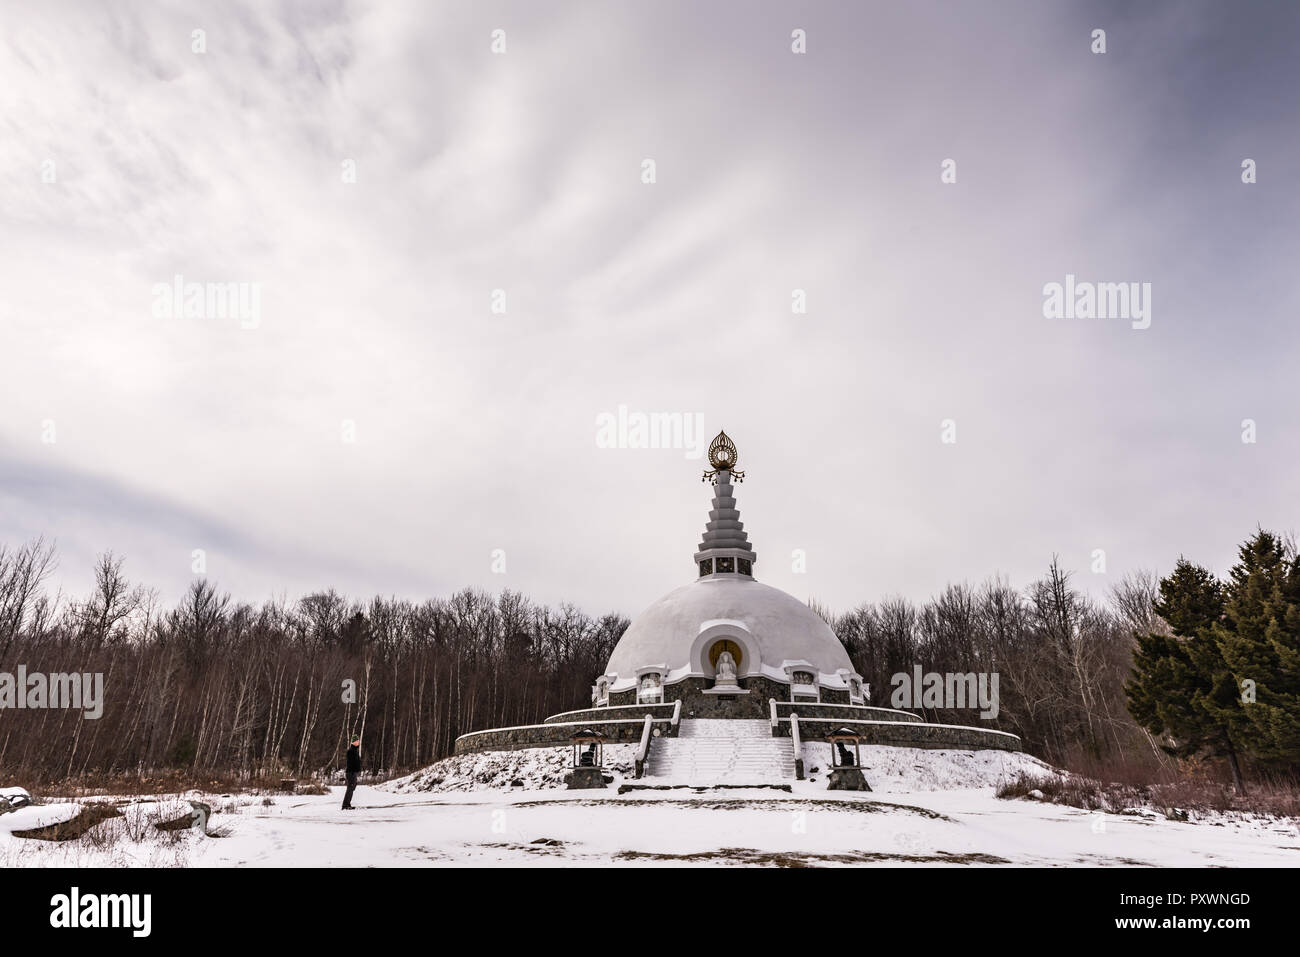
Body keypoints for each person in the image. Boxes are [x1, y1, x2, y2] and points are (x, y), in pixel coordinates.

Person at [342, 736, 361, 810]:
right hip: (351, 772)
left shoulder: (355, 750)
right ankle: (345, 805)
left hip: (353, 772)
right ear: (354, 742)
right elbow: (351, 763)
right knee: (350, 788)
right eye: (357, 741)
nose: (358, 742)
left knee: (352, 788)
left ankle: (347, 804)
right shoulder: (351, 751)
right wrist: (355, 769)